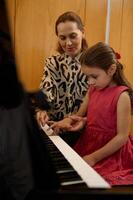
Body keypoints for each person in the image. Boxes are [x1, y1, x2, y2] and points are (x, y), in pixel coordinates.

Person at [51, 42, 133, 186]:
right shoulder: (93, 90)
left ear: (111, 69)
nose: (90, 82)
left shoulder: (122, 96)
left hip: (111, 152)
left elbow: (122, 137)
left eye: (94, 76)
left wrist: (94, 158)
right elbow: (79, 114)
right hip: (89, 144)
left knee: (93, 182)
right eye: (87, 77)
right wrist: (68, 120)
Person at [36, 11, 88, 125]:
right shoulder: (52, 63)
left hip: (83, 128)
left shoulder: (94, 64)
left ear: (83, 32)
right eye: (63, 38)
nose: (68, 43)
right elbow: (47, 87)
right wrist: (42, 109)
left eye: (73, 36)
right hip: (56, 127)